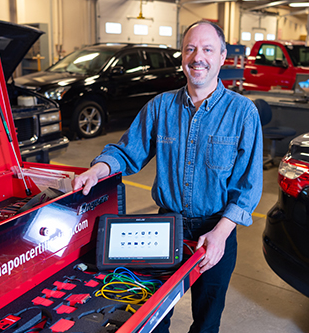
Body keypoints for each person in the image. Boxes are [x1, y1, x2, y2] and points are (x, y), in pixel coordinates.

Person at [72, 20, 263, 333]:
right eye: (190, 49)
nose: (197, 57)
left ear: (222, 56)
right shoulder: (160, 107)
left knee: (207, 321)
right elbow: (126, 153)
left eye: (207, 49)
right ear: (182, 55)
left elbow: (248, 187)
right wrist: (98, 169)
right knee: (154, 318)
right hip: (165, 228)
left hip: (216, 230)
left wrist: (221, 234)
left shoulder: (243, 113)